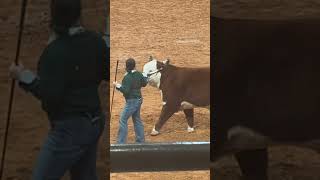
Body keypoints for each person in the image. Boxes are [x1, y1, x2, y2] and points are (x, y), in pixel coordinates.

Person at [9, 0, 108, 179]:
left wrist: (23, 75)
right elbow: (107, 71)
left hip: (69, 131)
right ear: (79, 15)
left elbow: (49, 96)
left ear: (53, 17)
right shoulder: (95, 41)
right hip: (94, 123)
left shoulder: (54, 52)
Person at [113, 58, 148, 144]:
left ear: (126, 66)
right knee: (136, 119)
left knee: (123, 119)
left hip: (131, 101)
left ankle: (121, 142)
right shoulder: (139, 74)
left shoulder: (127, 77)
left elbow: (126, 91)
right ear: (134, 65)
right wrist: (144, 76)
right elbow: (144, 83)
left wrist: (117, 86)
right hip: (139, 100)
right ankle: (140, 141)